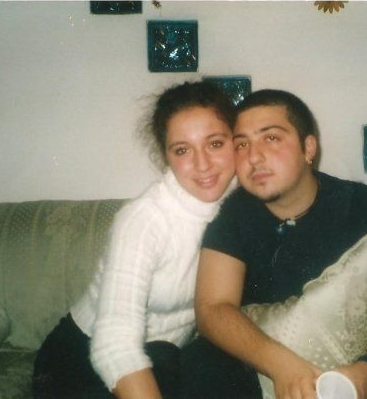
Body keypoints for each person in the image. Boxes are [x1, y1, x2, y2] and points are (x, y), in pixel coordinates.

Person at [181, 89, 367, 399]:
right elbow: (213, 308)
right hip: (261, 358)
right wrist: (281, 366)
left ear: (308, 148)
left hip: (366, 353)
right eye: (242, 144)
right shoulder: (230, 215)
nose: (254, 157)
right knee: (196, 372)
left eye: (272, 138)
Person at [32, 81, 238, 398]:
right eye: (182, 150)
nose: (203, 164)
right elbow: (114, 344)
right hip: (82, 360)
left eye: (215, 143)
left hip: (163, 358)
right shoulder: (145, 219)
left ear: (236, 142)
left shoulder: (242, 205)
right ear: (166, 157)